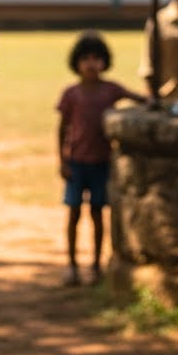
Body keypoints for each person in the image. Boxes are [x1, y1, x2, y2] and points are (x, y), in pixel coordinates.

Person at [56, 32, 144, 286]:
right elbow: (62, 129)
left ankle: (96, 266)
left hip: (101, 163)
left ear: (105, 61)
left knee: (97, 213)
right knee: (73, 213)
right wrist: (62, 161)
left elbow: (140, 99)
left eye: (96, 58)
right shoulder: (71, 94)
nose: (91, 64)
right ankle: (72, 266)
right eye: (86, 59)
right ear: (77, 63)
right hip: (76, 163)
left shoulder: (111, 90)